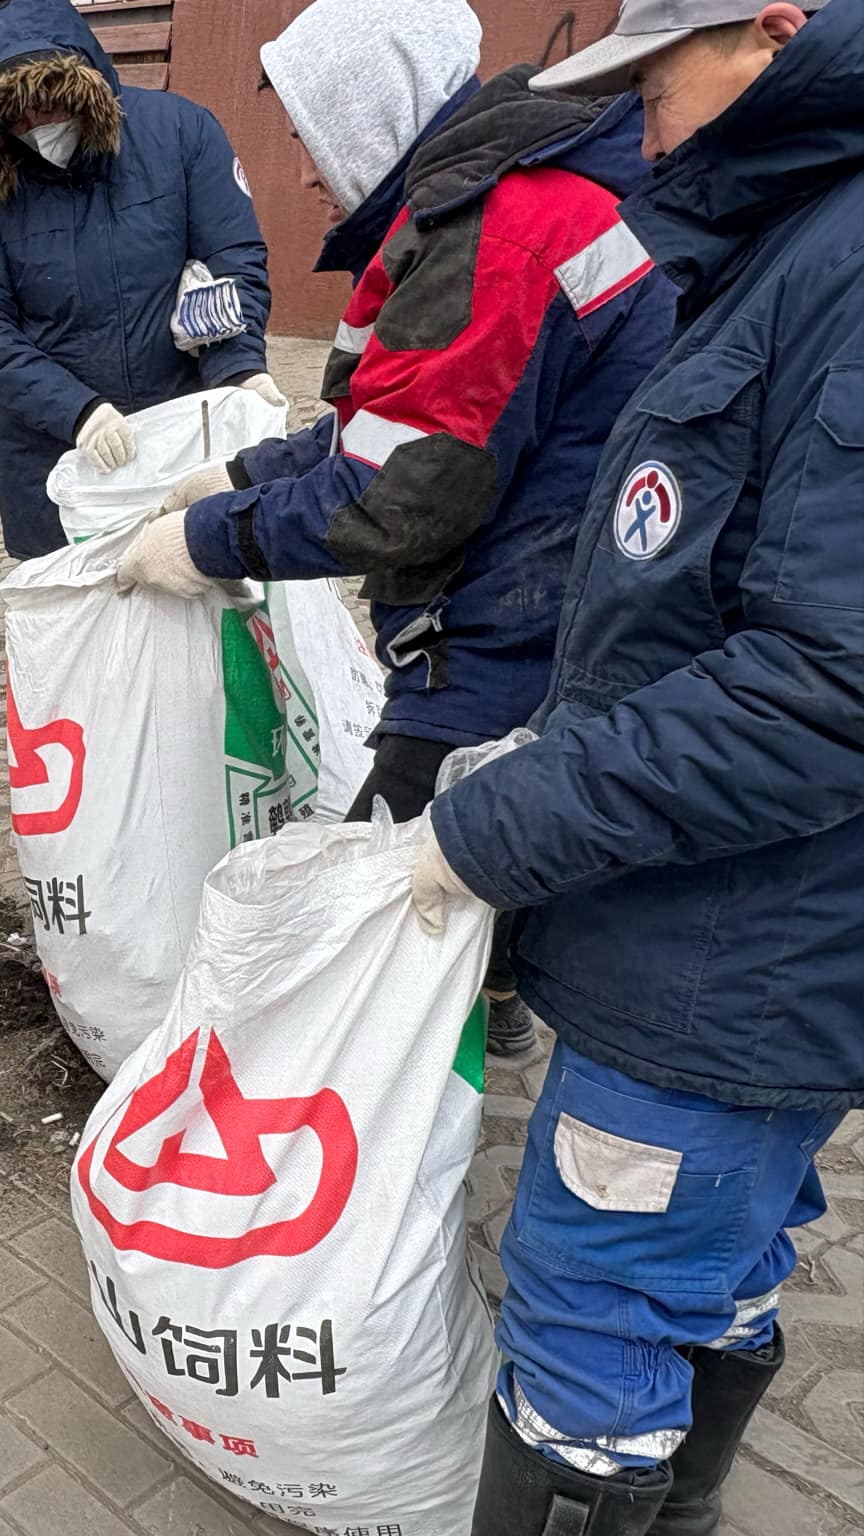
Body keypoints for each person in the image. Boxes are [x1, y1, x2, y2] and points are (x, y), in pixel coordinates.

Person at [402, 2, 860, 1531]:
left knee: (590, 1330)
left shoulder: (847, 265)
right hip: (742, 939)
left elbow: (823, 690)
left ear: (770, 35)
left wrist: (494, 828)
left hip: (722, 957)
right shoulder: (790, 244)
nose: (639, 125)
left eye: (654, 82)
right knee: (713, 1276)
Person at [120, 0, 676, 1058]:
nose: (296, 171)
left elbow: (394, 495)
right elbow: (387, 423)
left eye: (301, 134)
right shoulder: (477, 209)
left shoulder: (499, 235)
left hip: (513, 624)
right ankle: (489, 992)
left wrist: (202, 545)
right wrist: (233, 473)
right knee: (478, 854)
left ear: (370, 109)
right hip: (526, 597)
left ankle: (369, 1095)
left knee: (385, 886)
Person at [0, 0, 278, 560]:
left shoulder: (182, 134)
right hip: (53, 449)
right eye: (15, 116)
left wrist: (239, 368)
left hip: (179, 431)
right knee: (72, 619)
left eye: (46, 102)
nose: (35, 127)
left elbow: (231, 257)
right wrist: (78, 411)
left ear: (80, 82)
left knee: (184, 594)